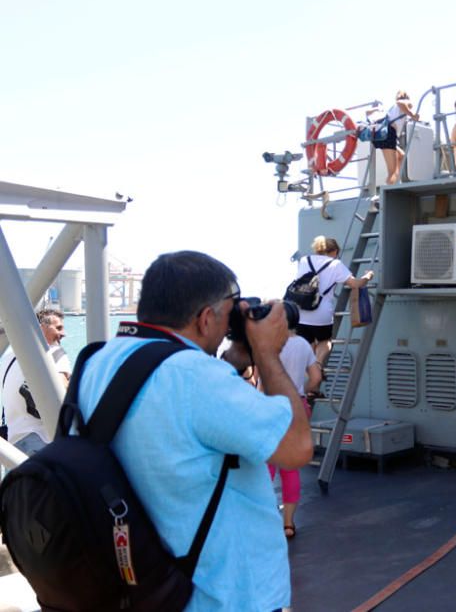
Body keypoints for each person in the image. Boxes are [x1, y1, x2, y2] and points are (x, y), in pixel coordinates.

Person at [75, 250, 313, 611]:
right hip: (219, 595)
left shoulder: (96, 360)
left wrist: (233, 361)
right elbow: (296, 448)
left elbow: (179, 421)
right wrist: (266, 352)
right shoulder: (196, 377)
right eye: (229, 312)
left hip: (143, 583)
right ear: (205, 318)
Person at [265, 331, 322, 539]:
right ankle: (288, 524)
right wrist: (303, 390)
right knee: (290, 467)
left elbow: (262, 380)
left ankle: (264, 518)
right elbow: (316, 378)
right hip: (297, 404)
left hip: (272, 402)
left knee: (267, 465)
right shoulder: (303, 345)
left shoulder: (268, 341)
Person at [295, 235, 374, 370]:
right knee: (325, 341)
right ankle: (318, 364)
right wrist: (368, 276)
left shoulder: (304, 260)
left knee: (308, 342)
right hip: (321, 314)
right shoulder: (335, 264)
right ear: (334, 251)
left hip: (301, 312)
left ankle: (310, 368)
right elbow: (356, 284)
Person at [0, 308, 71, 455]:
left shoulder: (8, 358)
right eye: (58, 328)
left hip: (13, 443)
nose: (63, 333)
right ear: (40, 328)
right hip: (42, 439)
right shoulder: (54, 353)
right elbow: (62, 390)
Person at [366, 90, 419, 185]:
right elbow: (400, 103)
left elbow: (367, 112)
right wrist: (412, 114)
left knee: (401, 155)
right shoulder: (403, 103)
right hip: (388, 135)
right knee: (392, 171)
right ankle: (390, 186)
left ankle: (396, 181)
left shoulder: (391, 109)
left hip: (385, 135)